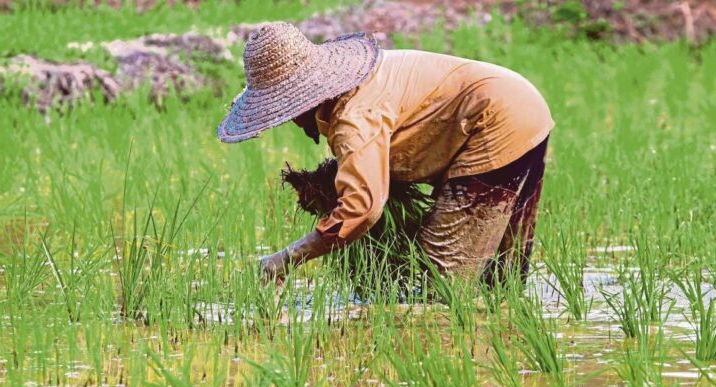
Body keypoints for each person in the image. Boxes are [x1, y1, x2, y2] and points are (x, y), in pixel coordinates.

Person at [217, 22, 554, 285]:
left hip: (494, 121)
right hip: (523, 106)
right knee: (504, 273)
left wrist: (285, 259)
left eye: (286, 112)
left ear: (304, 101)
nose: (290, 121)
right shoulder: (362, 82)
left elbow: (362, 209)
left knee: (441, 277)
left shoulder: (353, 119)